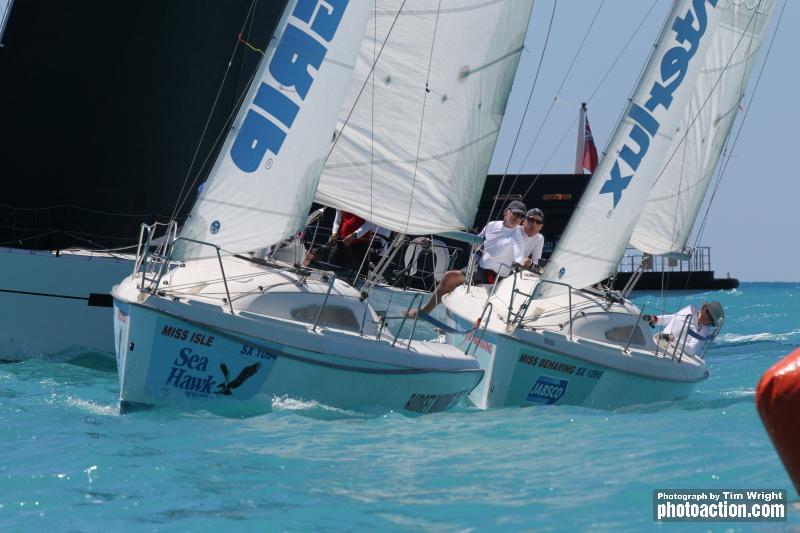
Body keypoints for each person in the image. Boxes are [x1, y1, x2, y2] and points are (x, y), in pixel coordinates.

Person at [411, 200, 527, 316]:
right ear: (506, 212)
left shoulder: (517, 235)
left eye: (521, 216)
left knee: (451, 278)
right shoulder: (492, 225)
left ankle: (426, 312)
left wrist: (518, 263)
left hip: (494, 276)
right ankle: (425, 312)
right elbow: (478, 240)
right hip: (479, 268)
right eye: (515, 214)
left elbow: (519, 252)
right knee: (449, 277)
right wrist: (475, 244)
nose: (518, 218)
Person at [643, 301, 724, 356]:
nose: (706, 317)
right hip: (658, 340)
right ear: (703, 307)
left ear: (711, 322)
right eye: (707, 312)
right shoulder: (690, 309)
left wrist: (672, 339)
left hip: (673, 352)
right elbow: (673, 318)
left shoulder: (704, 332)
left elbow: (692, 350)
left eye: (710, 317)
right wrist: (655, 319)